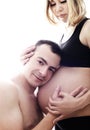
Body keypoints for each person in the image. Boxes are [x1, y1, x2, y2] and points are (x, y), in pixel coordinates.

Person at [20, 0, 90, 129]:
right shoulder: (65, 34)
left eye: (63, 2)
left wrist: (80, 103)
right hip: (63, 123)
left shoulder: (87, 27)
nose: (58, 9)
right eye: (52, 4)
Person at [0, 40, 63, 130]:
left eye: (51, 69)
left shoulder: (37, 99)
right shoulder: (6, 89)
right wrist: (53, 115)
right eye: (40, 62)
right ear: (27, 56)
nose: (44, 73)